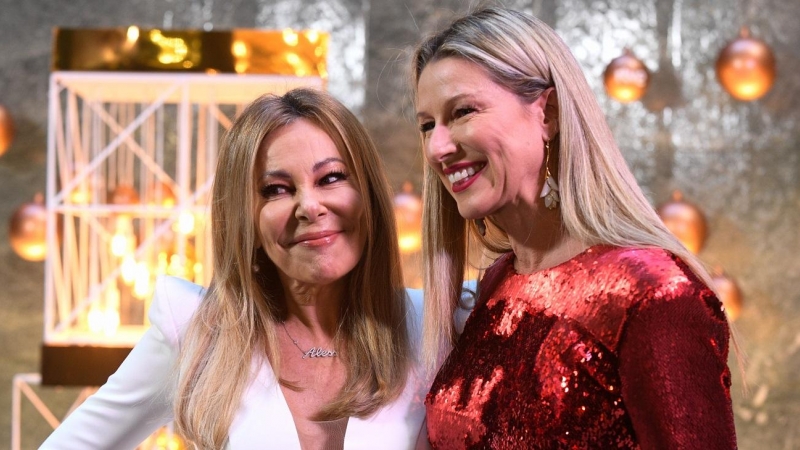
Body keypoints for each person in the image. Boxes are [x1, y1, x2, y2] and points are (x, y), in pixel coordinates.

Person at [412, 6, 738, 449]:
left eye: (463, 111)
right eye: (427, 125)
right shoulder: (496, 285)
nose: (438, 147)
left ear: (548, 114)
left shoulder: (650, 293)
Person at [41, 88, 431, 449]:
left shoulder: (435, 325)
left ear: (369, 197)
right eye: (276, 189)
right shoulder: (199, 331)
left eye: (330, 178)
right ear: (248, 220)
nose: (309, 206)